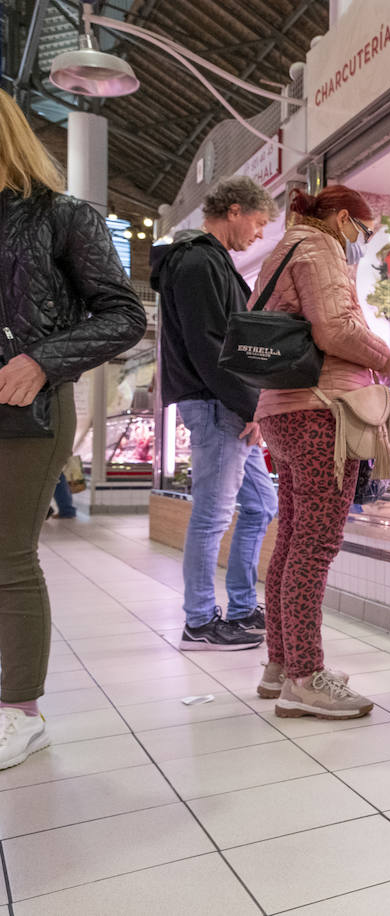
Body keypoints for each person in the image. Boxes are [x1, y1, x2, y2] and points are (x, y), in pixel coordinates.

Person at [0, 89, 146, 769]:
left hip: (27, 409)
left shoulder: (61, 216)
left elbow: (123, 315)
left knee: (9, 557)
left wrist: (42, 360)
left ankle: (20, 711)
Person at [253, 185, 390, 719]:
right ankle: (305, 679)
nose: (361, 241)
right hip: (321, 411)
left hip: (282, 410)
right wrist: (385, 357)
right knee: (314, 547)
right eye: (362, 231)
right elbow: (335, 329)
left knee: (293, 541)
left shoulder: (286, 247)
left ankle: (281, 665)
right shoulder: (320, 248)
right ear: (342, 219)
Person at [151, 176, 277, 651]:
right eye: (258, 223)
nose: (259, 234)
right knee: (211, 515)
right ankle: (200, 621)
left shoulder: (211, 261)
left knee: (262, 505)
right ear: (234, 210)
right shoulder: (198, 261)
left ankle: (242, 606)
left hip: (227, 403)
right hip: (216, 403)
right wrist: (251, 404)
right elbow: (209, 346)